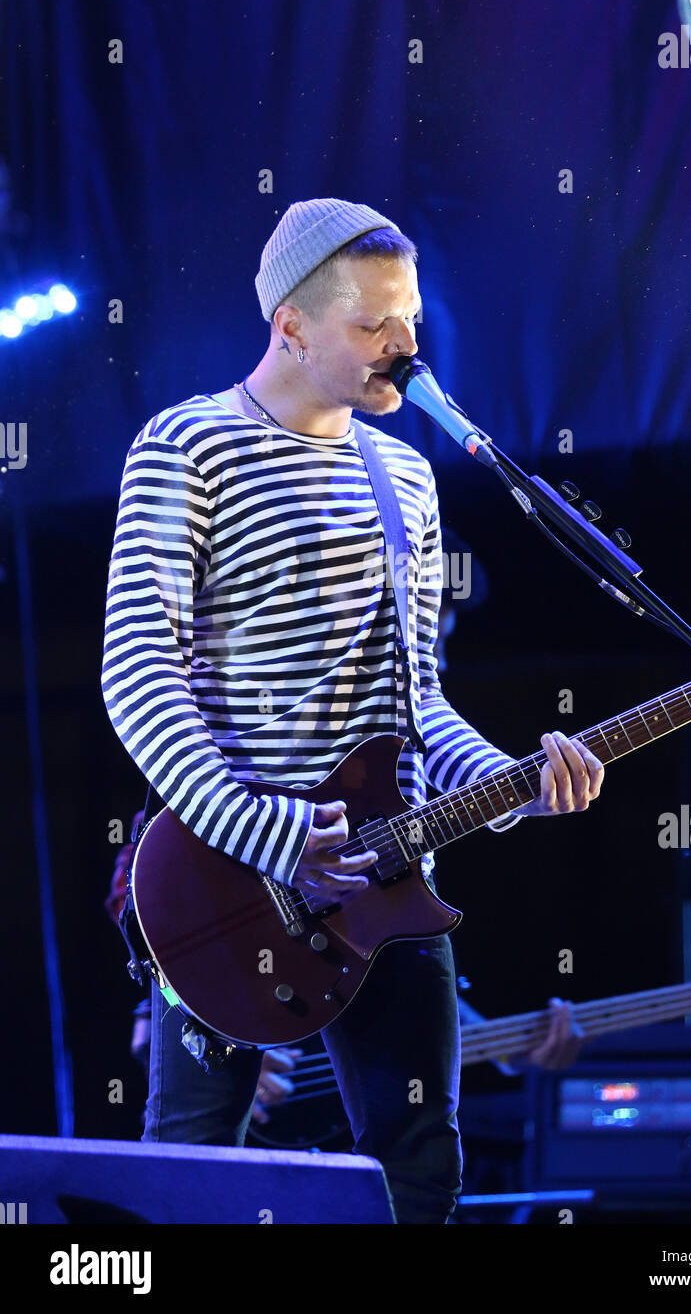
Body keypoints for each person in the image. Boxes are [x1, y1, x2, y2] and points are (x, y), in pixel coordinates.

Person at [100, 197, 604, 1224]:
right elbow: (137, 675)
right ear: (289, 325)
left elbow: (417, 702)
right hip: (222, 880)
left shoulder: (405, 478)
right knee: (191, 1172)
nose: (406, 345)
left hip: (388, 877)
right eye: (375, 323)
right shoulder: (186, 445)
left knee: (420, 1169)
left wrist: (513, 783)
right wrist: (274, 834)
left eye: (410, 317)